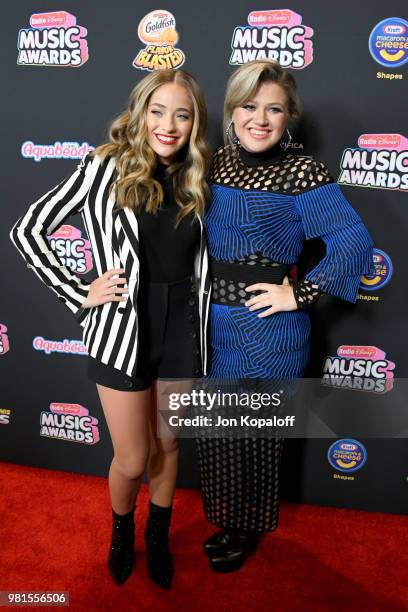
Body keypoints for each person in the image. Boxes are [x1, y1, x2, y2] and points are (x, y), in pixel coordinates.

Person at [10, 68, 211, 589]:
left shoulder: (199, 175)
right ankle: (123, 535)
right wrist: (80, 291)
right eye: (158, 111)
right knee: (132, 456)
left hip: (183, 327)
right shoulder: (103, 166)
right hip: (122, 326)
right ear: (140, 112)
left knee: (168, 444)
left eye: (182, 114)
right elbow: (28, 229)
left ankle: (159, 535)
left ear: (194, 123)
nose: (169, 125)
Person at [195, 59, 374, 573]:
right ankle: (228, 520)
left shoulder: (302, 171)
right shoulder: (212, 164)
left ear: (289, 116)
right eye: (249, 106)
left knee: (255, 433)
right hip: (211, 325)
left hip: (269, 329)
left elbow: (352, 242)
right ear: (232, 111)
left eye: (273, 108)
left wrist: (299, 293)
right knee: (219, 429)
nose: (260, 118)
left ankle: (247, 527)